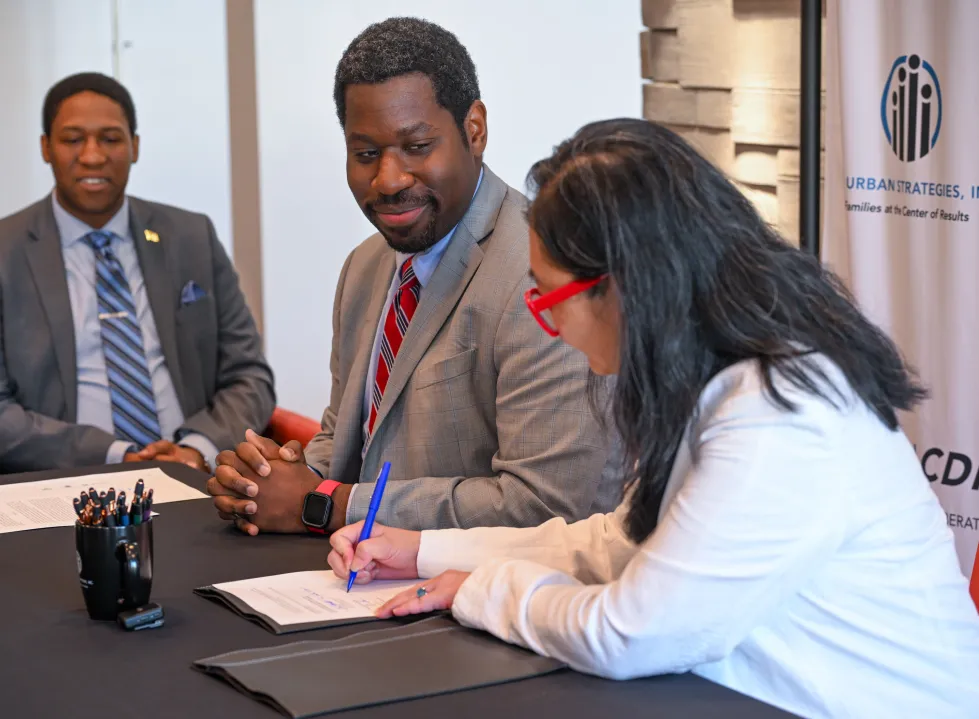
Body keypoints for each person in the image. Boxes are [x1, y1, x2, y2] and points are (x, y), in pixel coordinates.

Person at [325, 119, 979, 718]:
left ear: (629, 284)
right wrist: (422, 549)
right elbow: (620, 543)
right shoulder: (711, 379)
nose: (541, 318)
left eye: (549, 294)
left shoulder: (781, 413)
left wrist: (484, 589)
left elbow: (631, 631)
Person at [207, 17, 618, 535]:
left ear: (475, 130)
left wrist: (328, 505)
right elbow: (348, 437)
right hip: (359, 579)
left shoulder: (543, 275)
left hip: (482, 601)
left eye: (417, 146)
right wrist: (269, 480)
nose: (389, 179)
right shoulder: (364, 266)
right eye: (366, 154)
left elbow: (544, 504)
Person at [0, 73, 274, 474]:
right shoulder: (7, 251)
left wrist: (195, 450)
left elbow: (248, 374)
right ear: (45, 147)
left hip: (195, 478)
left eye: (110, 139)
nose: (92, 156)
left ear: (135, 147)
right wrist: (117, 456)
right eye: (73, 139)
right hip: (62, 483)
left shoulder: (190, 236)